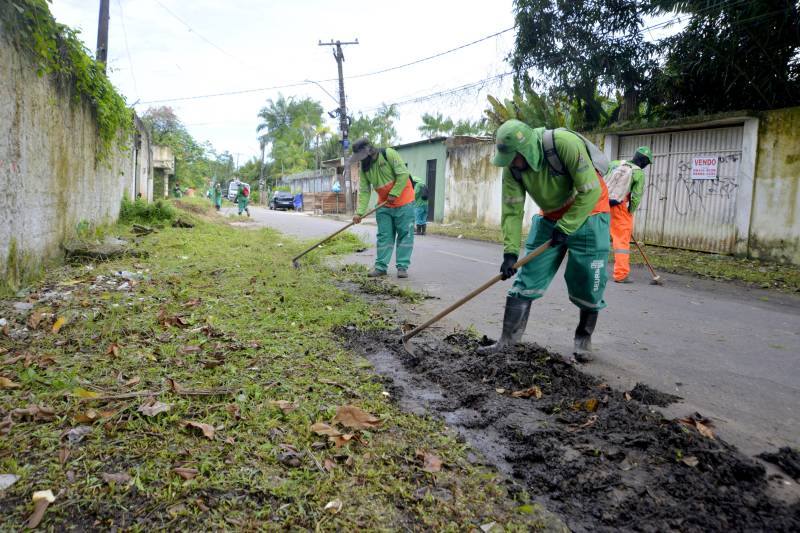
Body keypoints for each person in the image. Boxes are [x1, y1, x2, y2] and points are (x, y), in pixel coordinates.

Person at [480, 120, 611, 363]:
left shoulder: (564, 144)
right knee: (527, 276)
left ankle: (583, 339)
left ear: (526, 150)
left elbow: (590, 191)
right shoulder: (513, 168)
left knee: (588, 282)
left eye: (513, 158)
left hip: (591, 214)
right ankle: (507, 341)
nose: (510, 163)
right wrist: (510, 252)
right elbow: (512, 210)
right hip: (550, 218)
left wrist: (568, 225)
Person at [350, 138, 415, 278]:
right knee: (384, 236)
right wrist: (359, 213)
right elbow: (365, 191)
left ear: (367, 149)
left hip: (404, 201)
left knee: (405, 235)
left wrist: (395, 193)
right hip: (384, 204)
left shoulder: (388, 154)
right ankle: (380, 267)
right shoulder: (365, 168)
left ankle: (402, 267)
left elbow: (403, 174)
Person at [607, 146, 651, 283]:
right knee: (621, 242)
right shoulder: (639, 173)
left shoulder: (615, 163)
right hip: (619, 207)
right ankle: (620, 275)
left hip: (601, 203)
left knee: (598, 236)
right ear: (644, 162)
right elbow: (636, 196)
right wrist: (629, 212)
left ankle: (589, 269)